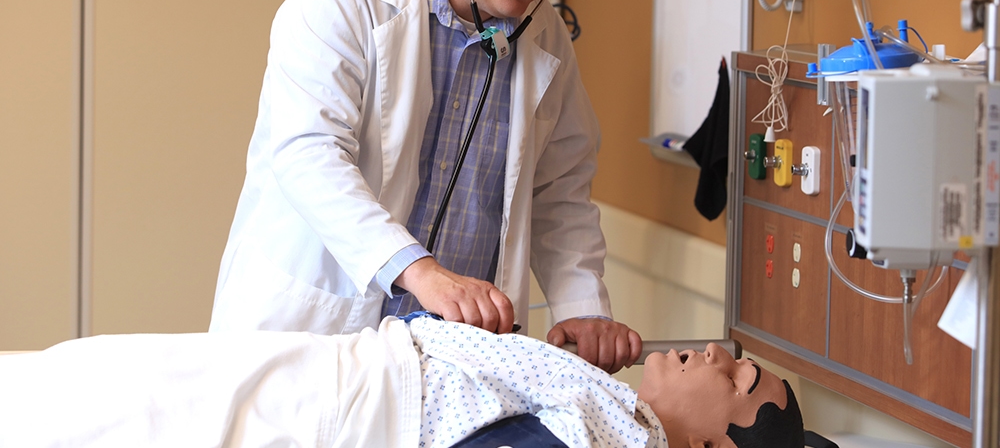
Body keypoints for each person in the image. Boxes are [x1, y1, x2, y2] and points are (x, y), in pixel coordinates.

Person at [209, 0, 640, 373]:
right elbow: (308, 154)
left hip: (455, 365)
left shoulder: (545, 37)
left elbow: (560, 190)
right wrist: (418, 270)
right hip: (317, 339)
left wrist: (582, 309)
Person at [0, 315, 805, 448]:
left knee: (108, 407)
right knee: (96, 379)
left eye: (737, 379)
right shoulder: (610, 410)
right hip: (357, 376)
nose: (716, 349)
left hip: (353, 410)